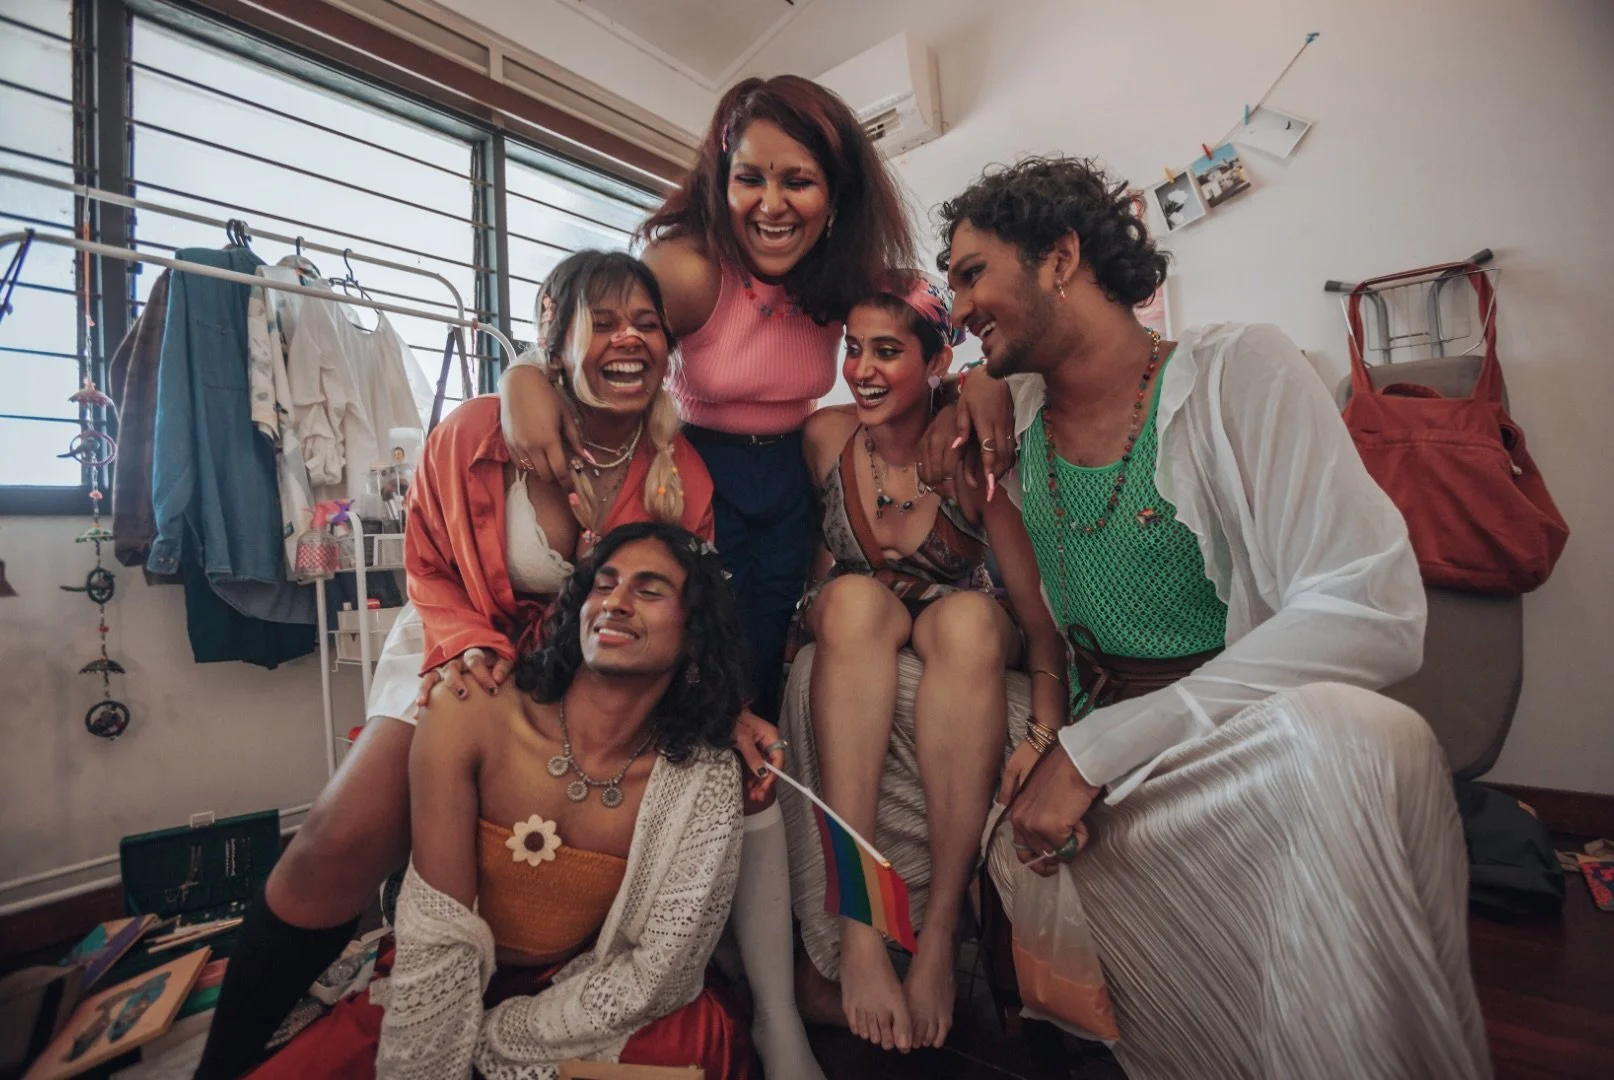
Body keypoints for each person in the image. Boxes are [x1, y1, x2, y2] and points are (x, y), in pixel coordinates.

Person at [931, 156, 1489, 1079]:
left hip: (1222, 748)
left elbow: (1371, 605)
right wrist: (1053, 736)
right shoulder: (1011, 414)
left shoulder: (1239, 373)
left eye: (972, 273)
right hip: (1090, 758)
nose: (959, 306)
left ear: (1061, 257)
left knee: (1361, 737)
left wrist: (1099, 753)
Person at [194, 251, 778, 1079]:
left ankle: (539, 992)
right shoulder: (477, 430)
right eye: (603, 322)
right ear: (557, 338)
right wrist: (470, 646)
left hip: (585, 680)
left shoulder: (681, 471)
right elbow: (427, 564)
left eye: (648, 326)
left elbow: (690, 609)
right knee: (340, 832)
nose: (628, 341)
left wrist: (734, 705)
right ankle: (226, 1058)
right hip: (457, 639)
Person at [501, 75, 915, 1080]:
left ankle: (764, 983)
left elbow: (927, 342)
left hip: (783, 495)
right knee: (693, 717)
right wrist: (519, 379)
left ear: (838, 190)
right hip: (689, 483)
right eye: (750, 178)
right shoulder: (688, 268)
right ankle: (649, 952)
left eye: (800, 181)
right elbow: (594, 339)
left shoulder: (855, 273)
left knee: (754, 731)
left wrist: (982, 379)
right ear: (720, 179)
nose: (772, 203)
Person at [250, 523, 758, 1078]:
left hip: (577, 992)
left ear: (694, 632)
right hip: (437, 983)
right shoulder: (470, 711)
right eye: (603, 584)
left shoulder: (701, 778)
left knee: (699, 1049)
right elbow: (438, 934)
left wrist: (501, 1036)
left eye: (649, 590)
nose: (614, 602)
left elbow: (658, 973)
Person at [776, 274, 1069, 1053]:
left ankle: (940, 931)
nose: (862, 369)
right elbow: (806, 564)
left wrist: (1045, 728)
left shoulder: (973, 457)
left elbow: (1039, 623)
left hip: (964, 632)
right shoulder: (824, 440)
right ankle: (860, 926)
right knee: (850, 603)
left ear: (936, 363)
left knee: (972, 620)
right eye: (852, 349)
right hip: (860, 630)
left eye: (887, 352)